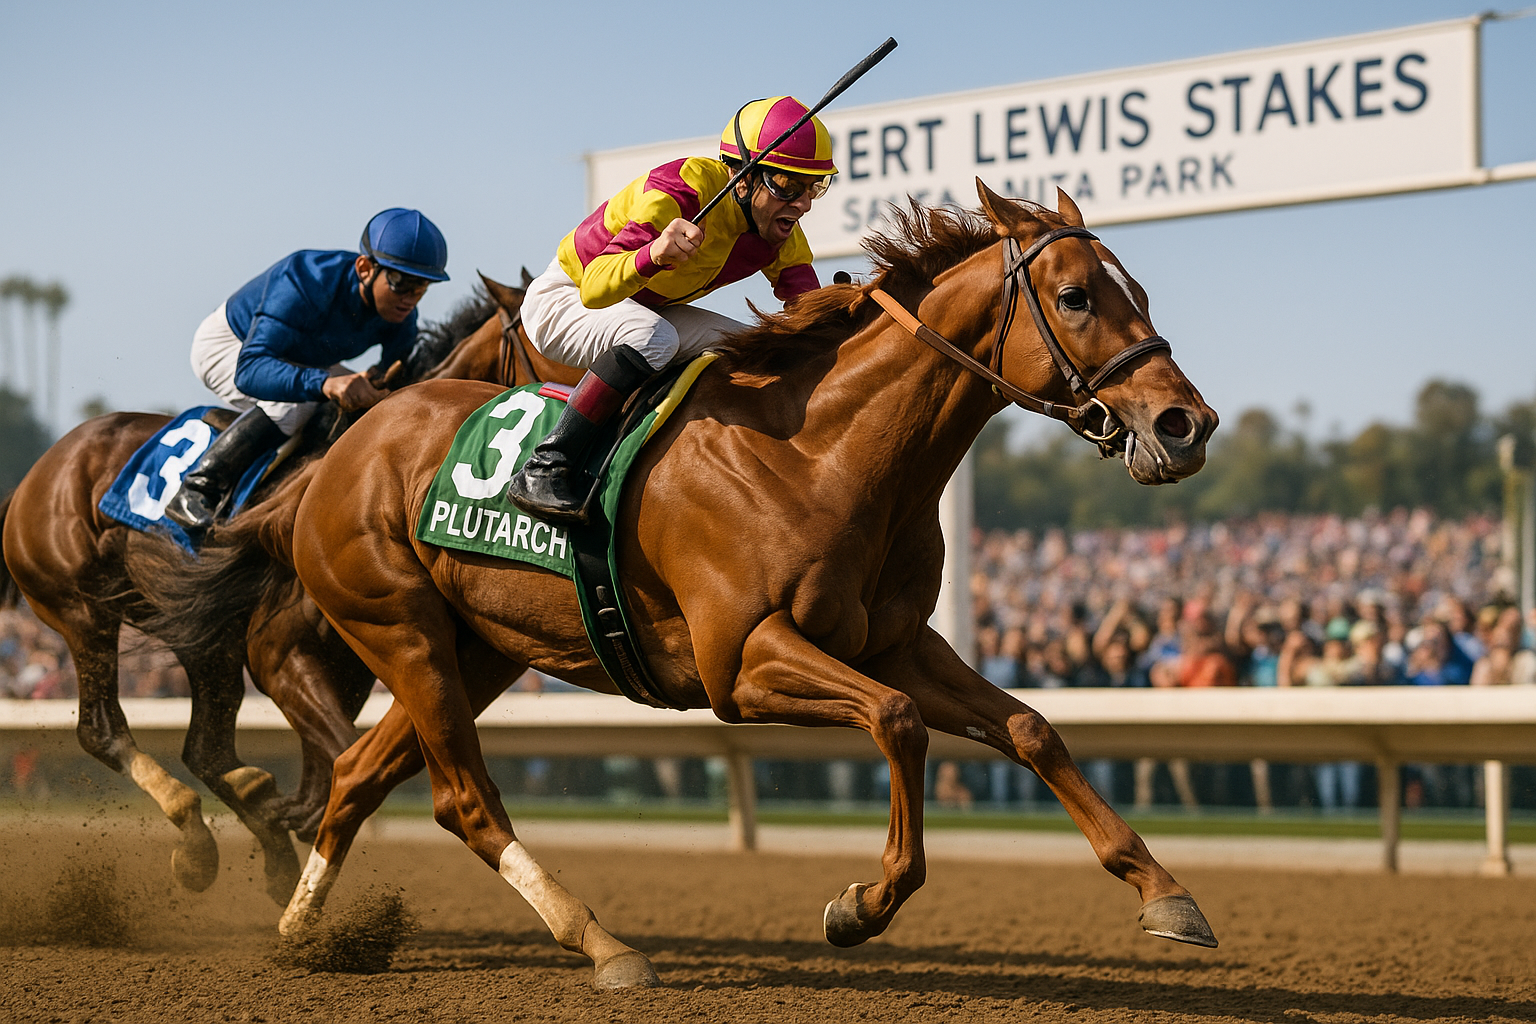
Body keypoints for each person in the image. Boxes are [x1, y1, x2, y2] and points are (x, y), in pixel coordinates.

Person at [506, 96, 835, 523]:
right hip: (563, 298)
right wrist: (650, 255)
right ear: (742, 178)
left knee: (750, 347)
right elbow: (595, 289)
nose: (803, 203)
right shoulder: (679, 193)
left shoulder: (779, 232)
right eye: (787, 186)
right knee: (654, 338)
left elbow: (807, 311)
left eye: (814, 187)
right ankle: (546, 465)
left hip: (640, 311)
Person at [165, 208, 448, 529]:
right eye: (401, 282)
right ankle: (197, 489)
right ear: (365, 268)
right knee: (295, 404)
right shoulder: (303, 281)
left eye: (422, 287)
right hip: (232, 346)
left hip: (303, 359)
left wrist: (377, 384)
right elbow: (250, 370)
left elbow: (393, 373)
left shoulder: (401, 313)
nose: (411, 298)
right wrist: (325, 383)